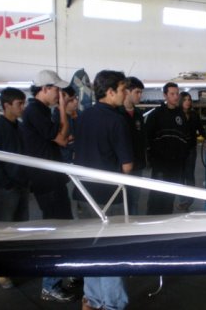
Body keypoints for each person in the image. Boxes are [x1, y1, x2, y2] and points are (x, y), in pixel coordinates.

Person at [74, 70, 133, 310]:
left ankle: (92, 300)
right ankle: (112, 304)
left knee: (91, 250)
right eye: (122, 89)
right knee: (111, 252)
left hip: (81, 192)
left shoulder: (83, 116)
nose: (125, 94)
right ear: (110, 92)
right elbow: (127, 166)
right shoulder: (117, 120)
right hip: (109, 197)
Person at [20, 69, 74, 302]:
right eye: (57, 90)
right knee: (56, 232)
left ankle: (63, 274)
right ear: (45, 89)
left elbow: (62, 137)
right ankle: (49, 285)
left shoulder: (40, 111)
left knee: (64, 227)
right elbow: (62, 139)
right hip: (46, 180)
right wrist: (62, 109)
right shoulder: (35, 111)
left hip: (52, 178)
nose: (59, 94)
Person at [0, 87, 29, 290]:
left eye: (23, 103)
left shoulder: (18, 128)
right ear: (6, 106)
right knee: (4, 230)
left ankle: (15, 265)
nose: (23, 107)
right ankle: (2, 272)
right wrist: (6, 184)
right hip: (8, 189)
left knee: (20, 229)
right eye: (19, 104)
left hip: (21, 185)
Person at [146, 82, 189, 215]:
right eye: (172, 94)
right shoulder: (156, 115)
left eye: (177, 94)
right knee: (157, 195)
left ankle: (167, 219)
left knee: (170, 196)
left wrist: (183, 157)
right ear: (165, 95)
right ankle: (152, 219)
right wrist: (152, 157)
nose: (176, 97)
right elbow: (147, 137)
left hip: (176, 164)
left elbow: (185, 138)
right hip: (160, 164)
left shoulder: (181, 115)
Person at [119, 76, 146, 215]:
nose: (140, 95)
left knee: (134, 200)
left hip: (137, 164)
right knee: (119, 201)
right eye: (137, 92)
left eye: (141, 92)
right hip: (120, 166)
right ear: (127, 91)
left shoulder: (138, 115)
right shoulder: (116, 114)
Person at [177, 91, 206, 212]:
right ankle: (182, 199)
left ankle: (188, 201)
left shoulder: (194, 115)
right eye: (185, 100)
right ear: (181, 101)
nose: (187, 102)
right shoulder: (175, 114)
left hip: (190, 149)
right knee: (180, 176)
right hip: (178, 150)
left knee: (189, 175)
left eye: (189, 100)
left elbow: (201, 130)